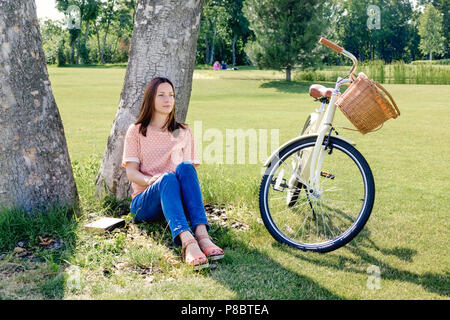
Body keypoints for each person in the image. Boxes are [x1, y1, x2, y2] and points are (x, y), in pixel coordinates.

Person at [121, 77, 224, 270]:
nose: (167, 99)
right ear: (150, 99)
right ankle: (188, 242)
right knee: (167, 178)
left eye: (171, 95)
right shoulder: (136, 131)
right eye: (161, 95)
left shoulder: (183, 131)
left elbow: (188, 177)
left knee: (186, 167)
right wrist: (153, 180)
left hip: (175, 200)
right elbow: (132, 174)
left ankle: (202, 235)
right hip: (145, 202)